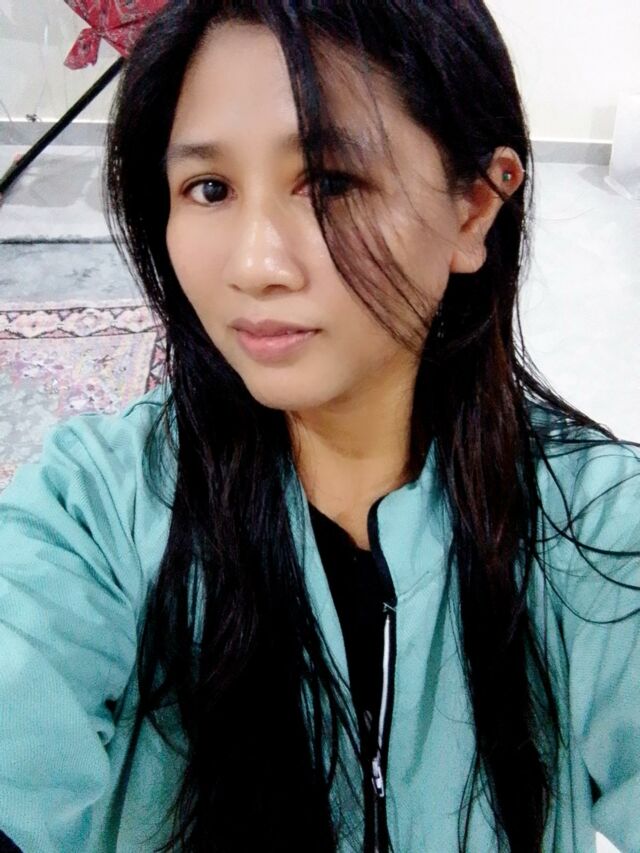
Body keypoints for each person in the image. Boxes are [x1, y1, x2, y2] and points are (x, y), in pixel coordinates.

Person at [0, 1, 639, 851]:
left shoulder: (594, 527)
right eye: (210, 189)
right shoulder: (93, 513)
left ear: (474, 209)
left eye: (331, 182)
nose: (254, 264)